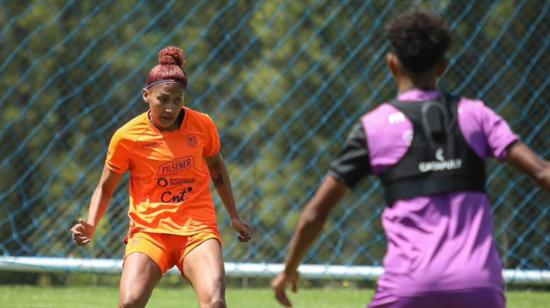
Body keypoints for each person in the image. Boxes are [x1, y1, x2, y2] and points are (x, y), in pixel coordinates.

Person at [271, 11, 550, 308]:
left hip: (409, 288)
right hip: (479, 287)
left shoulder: (374, 127)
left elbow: (316, 213)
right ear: (442, 67)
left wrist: (289, 269)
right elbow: (542, 172)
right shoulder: (476, 115)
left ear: (391, 64)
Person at [70, 46, 253, 308]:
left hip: (197, 230)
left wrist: (234, 215)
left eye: (177, 100)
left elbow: (216, 167)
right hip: (149, 232)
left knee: (214, 302)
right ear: (146, 95)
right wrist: (90, 223)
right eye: (163, 99)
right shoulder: (127, 137)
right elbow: (105, 187)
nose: (170, 108)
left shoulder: (202, 125)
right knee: (130, 302)